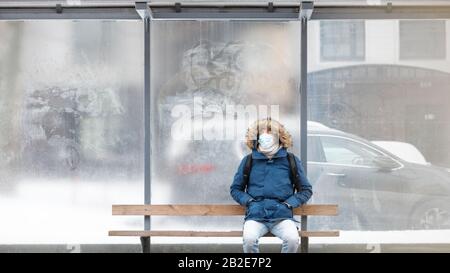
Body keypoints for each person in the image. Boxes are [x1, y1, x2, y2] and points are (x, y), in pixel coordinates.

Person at [230, 118, 313, 253]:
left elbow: (306, 190)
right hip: (256, 216)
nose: (266, 134)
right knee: (249, 240)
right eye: (262, 131)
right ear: (256, 136)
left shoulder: (290, 160)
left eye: (270, 131)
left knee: (292, 240)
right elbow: (236, 189)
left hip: (282, 216)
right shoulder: (249, 160)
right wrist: (250, 202)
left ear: (279, 136)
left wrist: (288, 204)